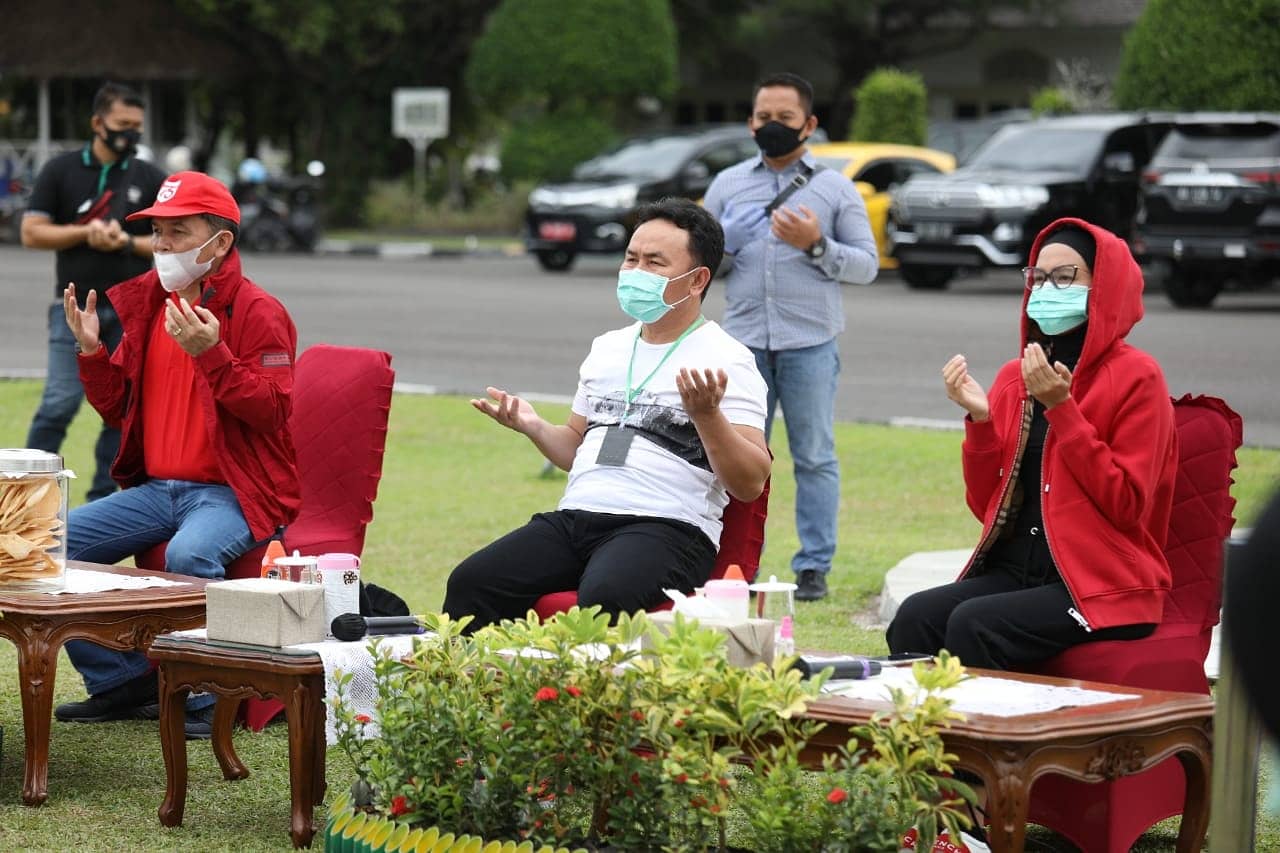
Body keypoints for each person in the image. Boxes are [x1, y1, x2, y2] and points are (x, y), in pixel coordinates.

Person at [443, 198, 771, 631]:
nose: (636, 273)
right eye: (631, 259)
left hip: (666, 527)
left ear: (697, 280)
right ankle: (486, 695)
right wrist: (534, 426)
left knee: (603, 601)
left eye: (655, 263)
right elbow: (576, 449)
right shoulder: (609, 348)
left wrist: (708, 416)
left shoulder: (728, 359)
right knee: (472, 583)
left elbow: (750, 483)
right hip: (579, 517)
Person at [53, 171, 301, 738]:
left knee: (190, 556)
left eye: (177, 232)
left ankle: (209, 702)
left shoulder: (259, 311)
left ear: (221, 243)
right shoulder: (148, 302)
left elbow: (272, 412)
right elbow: (119, 410)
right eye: (158, 232)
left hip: (232, 491)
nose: (161, 245)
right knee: (47, 546)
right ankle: (123, 683)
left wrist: (213, 355)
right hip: (157, 489)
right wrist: (91, 351)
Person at [886, 219, 1177, 671]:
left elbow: (1127, 505)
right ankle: (925, 740)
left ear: (1105, 287)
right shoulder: (1015, 376)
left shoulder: (1139, 377)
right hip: (1019, 573)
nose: (1047, 289)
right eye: (1039, 278)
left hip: (1103, 584)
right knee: (915, 618)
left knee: (974, 624)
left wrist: (1063, 410)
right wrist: (981, 421)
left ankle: (996, 742)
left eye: (1065, 278)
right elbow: (986, 506)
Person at [703, 72, 878, 602]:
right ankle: (734, 565)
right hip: (744, 346)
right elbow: (701, 265)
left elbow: (867, 266)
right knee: (734, 457)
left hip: (810, 344)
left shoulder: (834, 187)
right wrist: (722, 248)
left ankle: (813, 568)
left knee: (815, 456)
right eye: (763, 117)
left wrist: (816, 244)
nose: (772, 126)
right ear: (750, 121)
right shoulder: (727, 185)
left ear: (810, 124)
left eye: (784, 118)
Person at [20, 82, 167, 502]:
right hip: (71, 307)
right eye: (123, 124)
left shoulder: (149, 177)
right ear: (97, 123)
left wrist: (124, 242)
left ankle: (105, 500)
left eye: (137, 127)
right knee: (59, 401)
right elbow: (32, 232)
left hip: (132, 310)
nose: (130, 134)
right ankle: (25, 490)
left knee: (122, 410)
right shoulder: (61, 170)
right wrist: (86, 233)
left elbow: (168, 242)